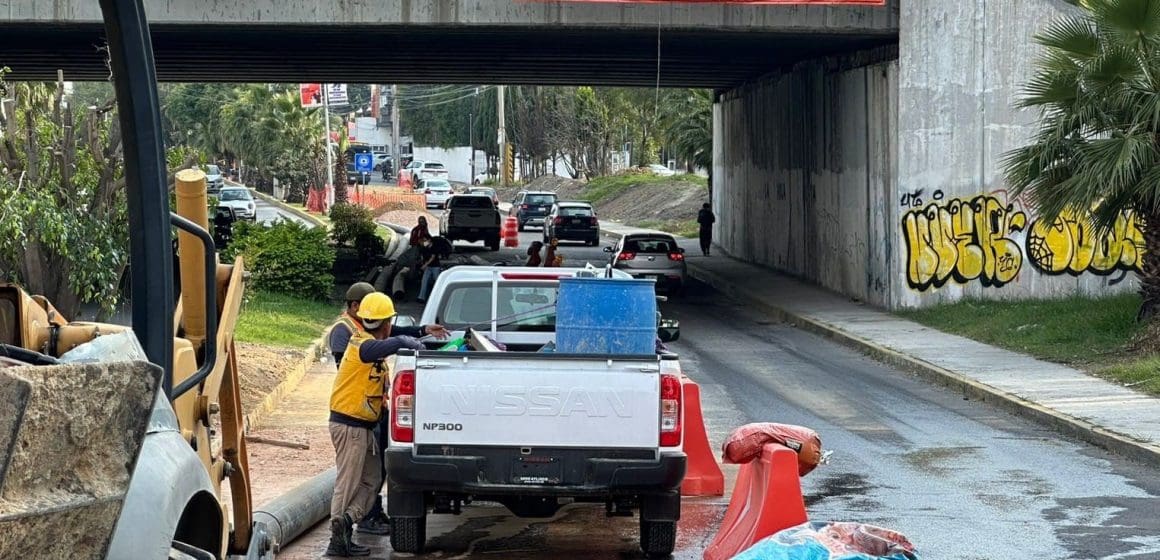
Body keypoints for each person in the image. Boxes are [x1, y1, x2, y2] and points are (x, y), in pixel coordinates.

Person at [326, 292, 448, 556]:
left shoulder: (369, 337)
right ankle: (337, 542)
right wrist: (410, 342)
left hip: (364, 427)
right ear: (385, 323)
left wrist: (419, 332)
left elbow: (396, 336)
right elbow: (392, 342)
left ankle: (346, 523)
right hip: (350, 427)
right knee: (348, 483)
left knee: (371, 482)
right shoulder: (362, 345)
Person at [416, 237, 444, 304]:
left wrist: (425, 265)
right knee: (424, 281)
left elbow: (432, 258)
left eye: (425, 241)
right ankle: (421, 297)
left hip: (435, 267)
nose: (424, 242)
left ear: (429, 240)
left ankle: (439, 296)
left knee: (437, 281)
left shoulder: (434, 247)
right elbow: (423, 257)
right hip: (428, 267)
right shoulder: (424, 248)